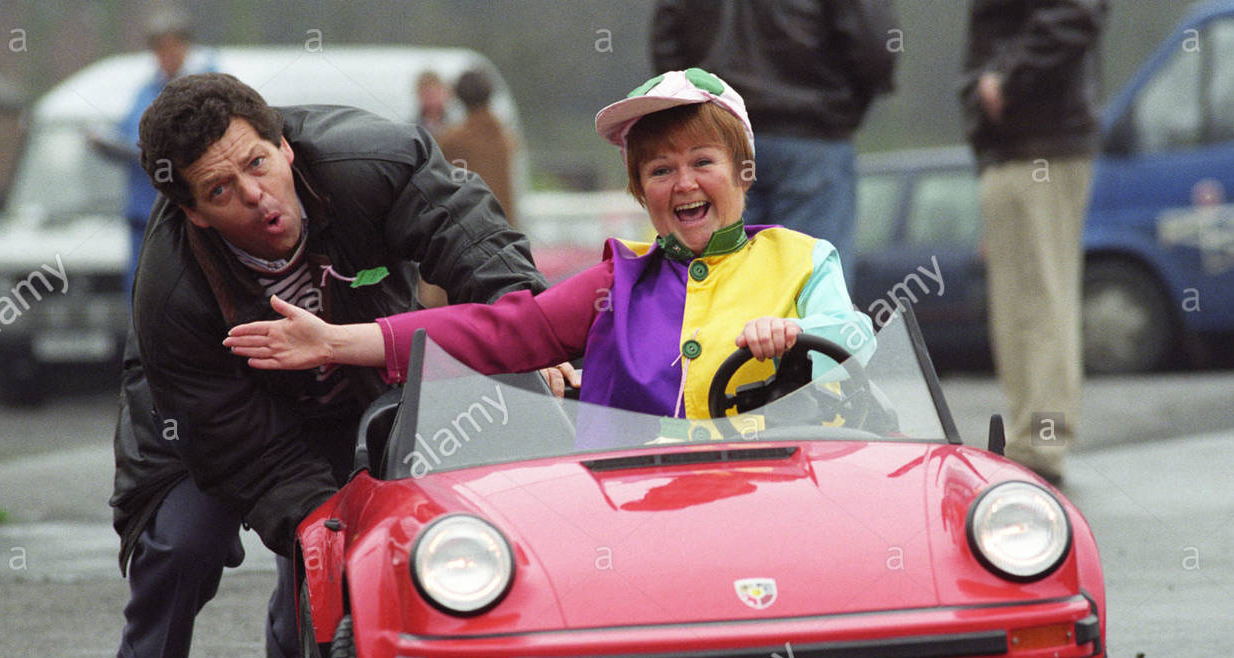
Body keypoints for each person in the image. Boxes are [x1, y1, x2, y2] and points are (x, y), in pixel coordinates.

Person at [55, 73, 544, 658]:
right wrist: (328, 529)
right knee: (196, 538)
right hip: (209, 420)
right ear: (193, 210)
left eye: (257, 164)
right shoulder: (170, 295)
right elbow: (250, 456)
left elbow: (475, 244)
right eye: (221, 191)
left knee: (386, 490)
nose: (255, 198)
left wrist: (535, 331)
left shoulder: (376, 162)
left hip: (359, 378)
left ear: (283, 146)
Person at [224, 69, 873, 422]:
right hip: (643, 514)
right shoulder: (615, 284)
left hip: (792, 492)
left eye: (702, 161)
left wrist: (790, 334)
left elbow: (854, 335)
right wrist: (335, 341)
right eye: (659, 170)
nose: (683, 184)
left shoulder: (804, 257)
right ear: (641, 191)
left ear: (743, 173)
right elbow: (493, 330)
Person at [961, 0, 1108, 485]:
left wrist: (1006, 76)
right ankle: (1033, 441)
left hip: (1038, 138)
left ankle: (1039, 446)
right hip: (1018, 142)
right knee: (1025, 301)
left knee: (1038, 300)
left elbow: (1078, 10)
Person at [649, 0, 897, 282]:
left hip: (719, 136)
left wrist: (692, 108)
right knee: (814, 286)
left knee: (721, 286)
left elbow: (666, 38)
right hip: (812, 135)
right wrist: (844, 107)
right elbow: (875, 44)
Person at [89, 6, 211, 292]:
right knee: (143, 290)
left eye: (169, 48)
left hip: (187, 213)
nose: (163, 57)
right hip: (143, 214)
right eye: (158, 50)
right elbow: (126, 133)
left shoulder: (206, 85)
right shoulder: (146, 90)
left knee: (186, 290)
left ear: (184, 46)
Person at [438, 69, 518, 226]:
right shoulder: (506, 138)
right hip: (504, 231)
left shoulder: (451, 141)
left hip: (470, 231)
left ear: (459, 97)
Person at [414, 70, 451, 137]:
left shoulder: (458, 124)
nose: (431, 99)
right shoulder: (411, 129)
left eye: (434, 94)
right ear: (419, 95)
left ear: (445, 94)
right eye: (426, 93)